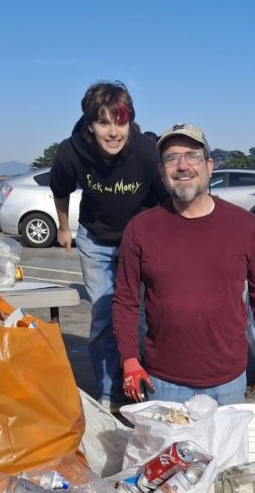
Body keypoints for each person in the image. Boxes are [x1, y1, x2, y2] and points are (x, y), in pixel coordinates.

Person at [112, 124, 255, 406]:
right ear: (161, 170)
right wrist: (130, 360)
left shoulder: (245, 227)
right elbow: (125, 301)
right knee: (168, 452)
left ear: (209, 165)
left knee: (225, 452)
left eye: (192, 155)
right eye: (171, 158)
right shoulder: (140, 229)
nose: (182, 166)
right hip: (163, 383)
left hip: (228, 383)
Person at [49, 81, 167, 408]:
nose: (114, 132)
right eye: (104, 122)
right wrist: (62, 227)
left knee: (141, 316)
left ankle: (144, 389)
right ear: (90, 124)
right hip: (95, 239)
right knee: (104, 315)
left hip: (138, 242)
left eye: (121, 121)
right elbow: (60, 190)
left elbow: (166, 202)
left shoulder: (145, 152)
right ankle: (109, 392)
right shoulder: (71, 152)